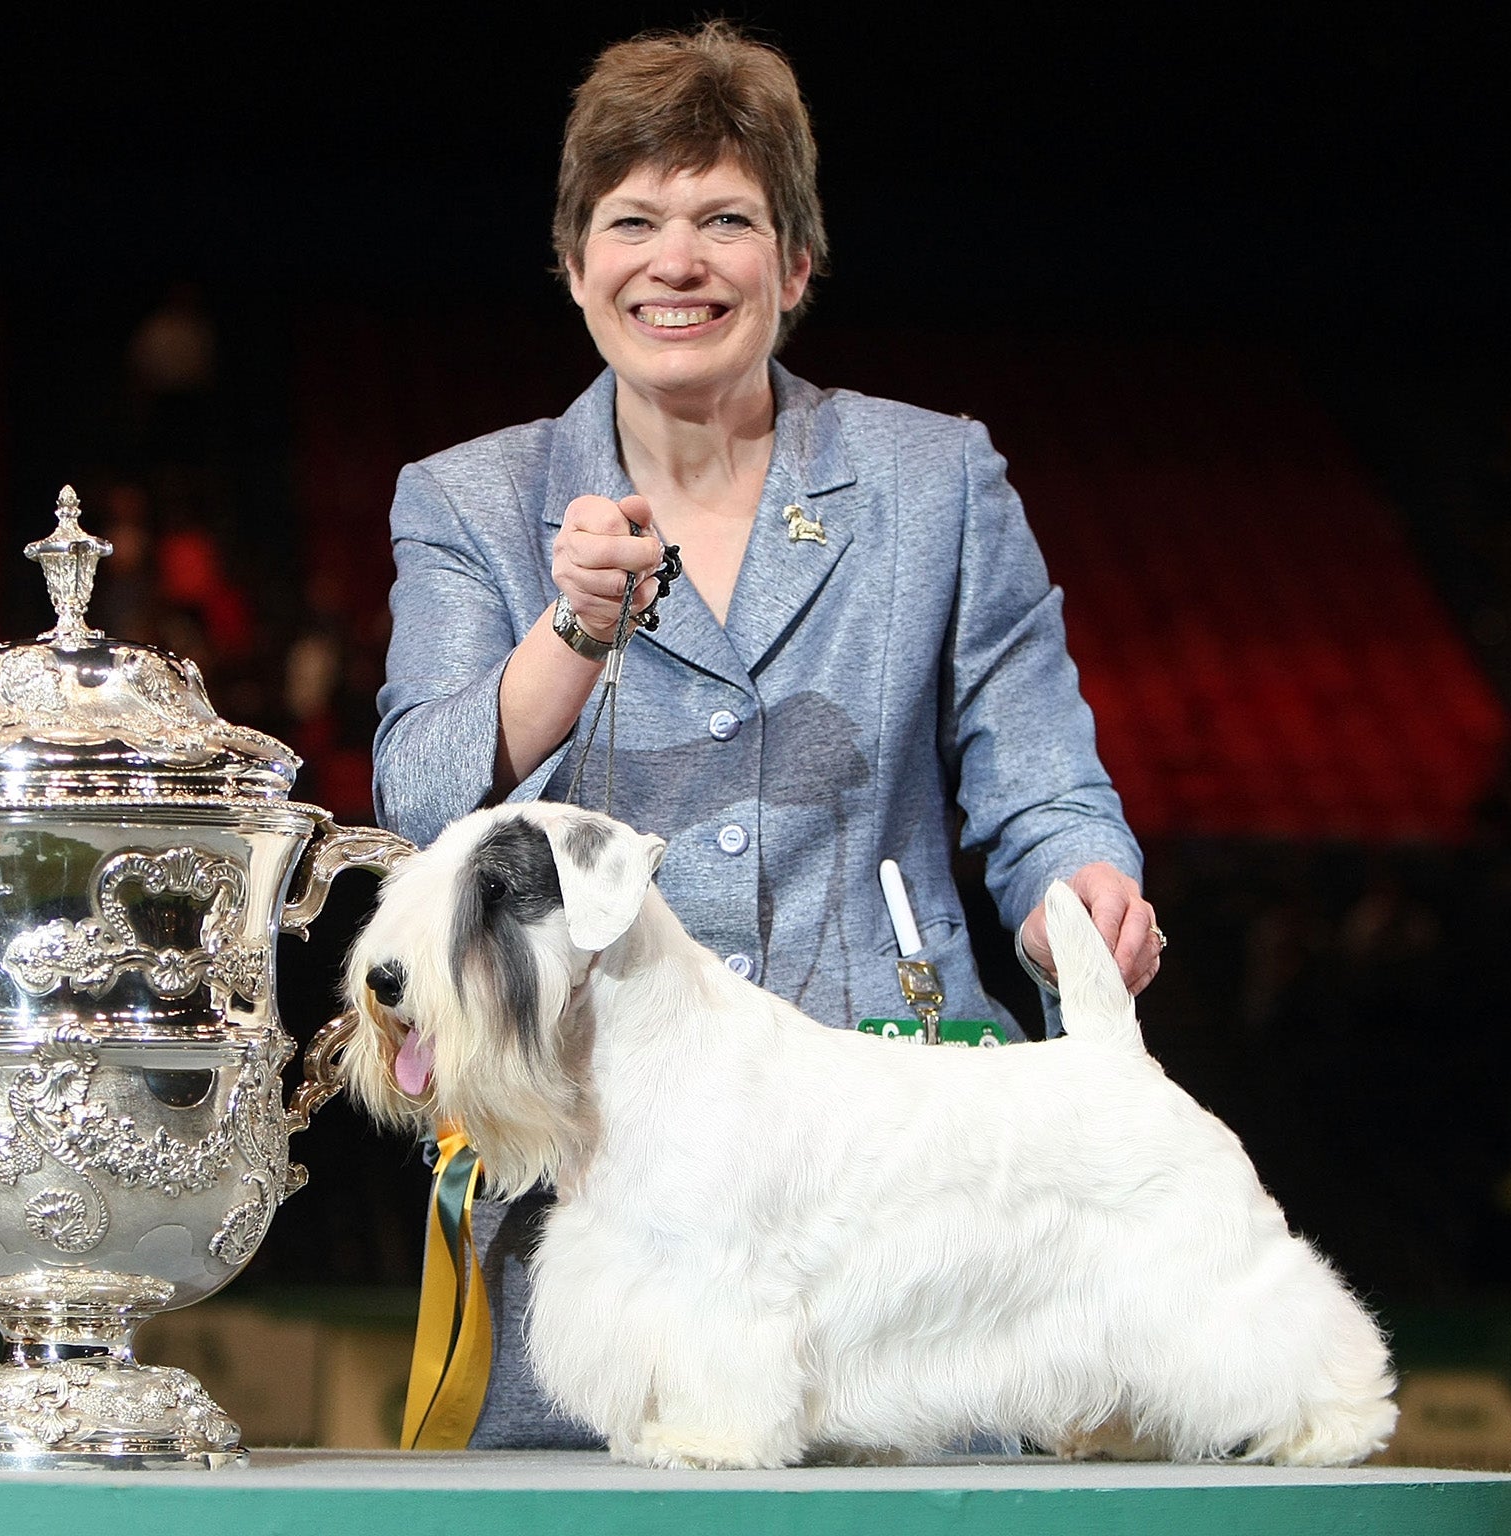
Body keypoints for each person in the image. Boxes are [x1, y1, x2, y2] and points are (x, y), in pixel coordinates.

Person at [371, 22, 1161, 1449]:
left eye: (727, 219)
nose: (679, 261)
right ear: (574, 263)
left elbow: (1041, 777)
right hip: (600, 1202)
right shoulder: (469, 501)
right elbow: (425, 793)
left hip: (901, 1215)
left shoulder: (935, 477)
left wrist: (1078, 891)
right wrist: (567, 634)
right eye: (634, 222)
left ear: (794, 266)